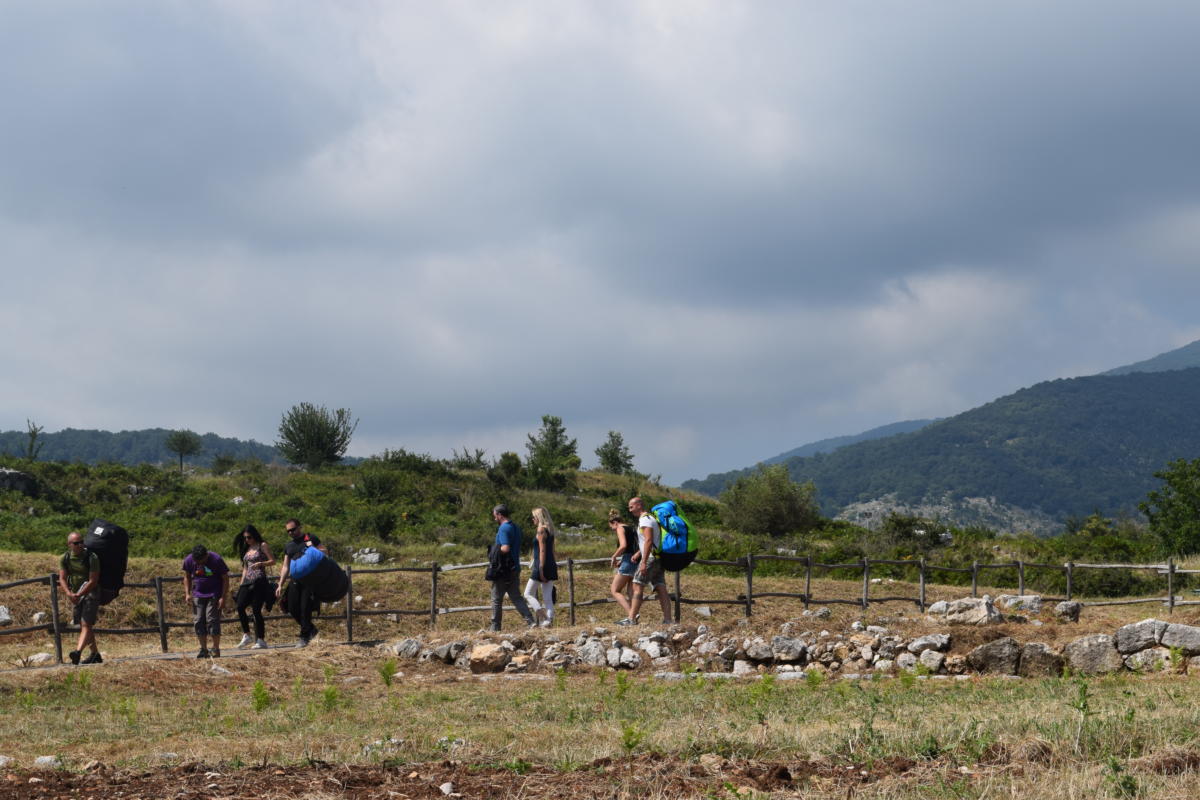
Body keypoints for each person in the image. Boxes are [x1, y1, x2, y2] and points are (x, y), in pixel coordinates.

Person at [275, 518, 325, 646]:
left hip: (309, 580)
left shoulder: (308, 539)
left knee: (305, 608)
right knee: (291, 607)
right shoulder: (289, 546)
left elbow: (323, 551)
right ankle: (311, 629)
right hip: (295, 580)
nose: (291, 533)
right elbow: (286, 566)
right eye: (288, 531)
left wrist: (312, 547)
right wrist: (280, 584)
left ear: (299, 527)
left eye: (293, 529)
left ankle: (304, 636)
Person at [626, 496, 674, 626]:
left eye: (631, 507)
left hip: (651, 559)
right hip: (658, 558)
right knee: (660, 588)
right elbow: (649, 541)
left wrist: (643, 561)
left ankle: (631, 619)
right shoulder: (651, 519)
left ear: (639, 505)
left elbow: (648, 540)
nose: (630, 510)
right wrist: (638, 553)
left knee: (637, 585)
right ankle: (668, 620)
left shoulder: (645, 520)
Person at [489, 504, 536, 631]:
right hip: (515, 567)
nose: (494, 519)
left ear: (499, 515)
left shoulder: (503, 528)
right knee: (516, 597)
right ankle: (531, 621)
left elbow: (505, 548)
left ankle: (495, 628)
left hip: (503, 569)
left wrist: (493, 552)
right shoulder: (516, 527)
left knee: (496, 599)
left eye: (495, 516)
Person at [58, 532, 102, 665]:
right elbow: (62, 578)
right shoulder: (65, 558)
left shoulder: (91, 557)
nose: (80, 545)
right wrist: (69, 593)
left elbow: (93, 580)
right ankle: (95, 655)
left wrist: (79, 594)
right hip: (76, 594)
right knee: (83, 625)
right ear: (69, 544)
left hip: (91, 593)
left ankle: (77, 652)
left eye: (82, 542)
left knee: (85, 624)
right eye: (77, 543)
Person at [182, 544, 230, 658]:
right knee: (198, 620)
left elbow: (225, 578)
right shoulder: (189, 560)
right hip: (198, 594)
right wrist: (187, 593)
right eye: (196, 561)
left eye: (201, 560)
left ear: (206, 555)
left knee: (212, 620)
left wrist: (223, 597)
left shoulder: (216, 559)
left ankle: (215, 648)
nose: (199, 563)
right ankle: (203, 649)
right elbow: (187, 577)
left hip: (214, 594)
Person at [232, 524, 275, 649]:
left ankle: (261, 639)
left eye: (249, 537)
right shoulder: (247, 548)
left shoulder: (262, 545)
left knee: (256, 610)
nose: (247, 540)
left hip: (259, 580)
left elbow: (273, 560)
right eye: (245, 538)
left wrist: (261, 563)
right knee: (240, 606)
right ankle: (247, 634)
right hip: (247, 580)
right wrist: (241, 584)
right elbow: (245, 567)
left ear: (254, 535)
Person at [523, 507, 559, 627]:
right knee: (547, 598)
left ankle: (542, 615)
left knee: (527, 594)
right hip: (551, 564)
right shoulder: (550, 530)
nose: (532, 519)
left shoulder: (541, 530)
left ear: (538, 518)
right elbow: (552, 551)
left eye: (533, 517)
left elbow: (542, 551)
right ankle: (548, 622)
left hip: (541, 565)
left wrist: (541, 569)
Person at [607, 509, 637, 624]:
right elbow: (633, 546)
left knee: (615, 590)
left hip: (628, 560)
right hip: (635, 560)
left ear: (614, 522)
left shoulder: (620, 528)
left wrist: (614, 556)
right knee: (630, 591)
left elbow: (623, 546)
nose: (613, 530)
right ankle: (633, 616)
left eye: (612, 527)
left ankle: (632, 615)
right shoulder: (631, 528)